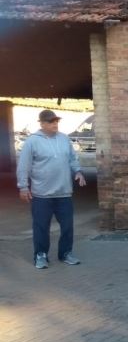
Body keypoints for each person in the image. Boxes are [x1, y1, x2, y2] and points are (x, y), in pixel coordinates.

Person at [16, 109, 86, 268]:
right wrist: (23, 187)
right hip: (41, 195)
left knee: (67, 226)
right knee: (41, 227)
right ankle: (40, 255)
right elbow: (23, 166)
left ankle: (66, 253)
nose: (55, 124)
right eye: (50, 121)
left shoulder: (64, 139)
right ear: (41, 123)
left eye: (56, 121)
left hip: (64, 193)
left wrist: (78, 171)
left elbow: (72, 158)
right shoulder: (32, 141)